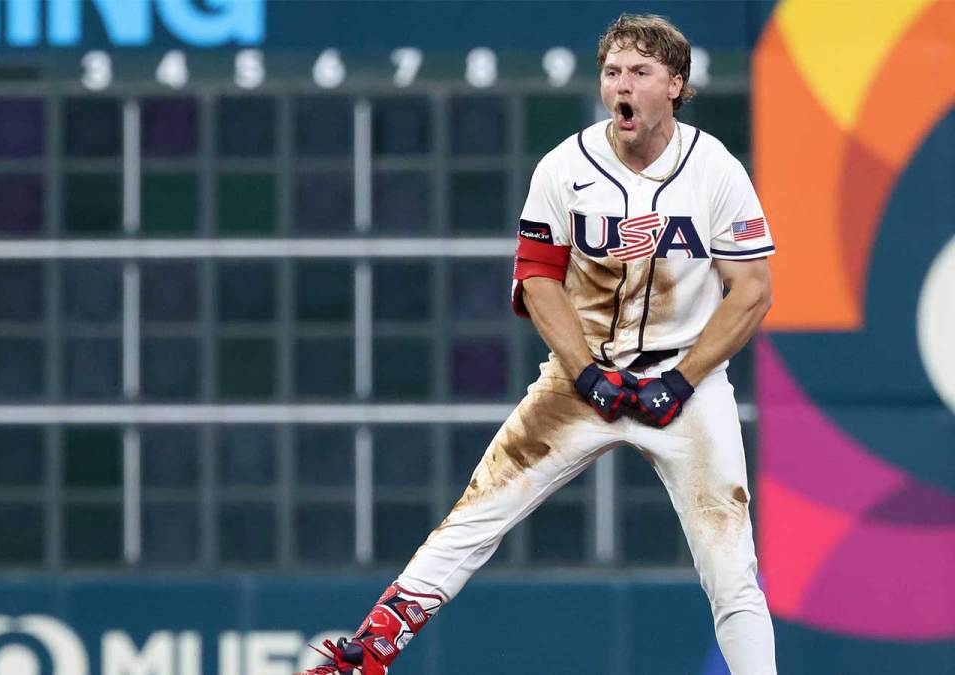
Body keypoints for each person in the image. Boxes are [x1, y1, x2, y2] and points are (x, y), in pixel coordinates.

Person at [297, 14, 777, 675]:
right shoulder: (566, 167)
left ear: (676, 84)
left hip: (684, 386)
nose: (622, 86)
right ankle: (367, 653)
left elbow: (750, 289)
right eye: (612, 72)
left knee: (731, 563)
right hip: (580, 382)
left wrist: (686, 377)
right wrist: (584, 372)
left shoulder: (714, 170)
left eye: (639, 72)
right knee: (478, 511)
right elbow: (538, 278)